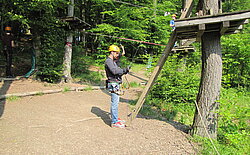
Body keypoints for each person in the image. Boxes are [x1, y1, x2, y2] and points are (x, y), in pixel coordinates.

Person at [105, 45, 130, 128]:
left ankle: (115, 118)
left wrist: (125, 71)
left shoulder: (113, 61)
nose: (117, 55)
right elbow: (115, 71)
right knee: (114, 103)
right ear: (112, 52)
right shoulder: (109, 61)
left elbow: (117, 70)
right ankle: (114, 122)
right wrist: (124, 70)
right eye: (116, 53)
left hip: (115, 83)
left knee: (116, 102)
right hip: (113, 84)